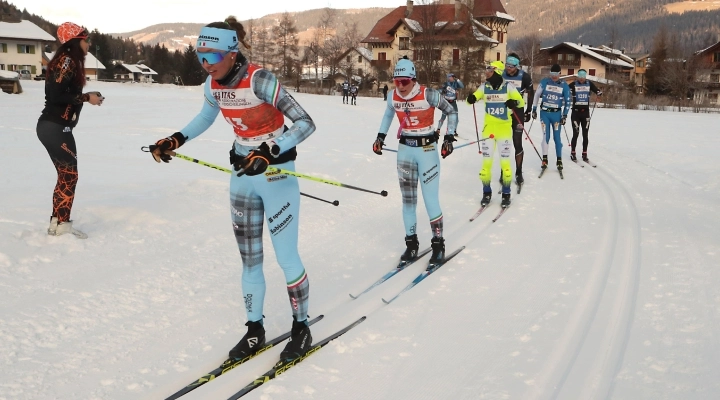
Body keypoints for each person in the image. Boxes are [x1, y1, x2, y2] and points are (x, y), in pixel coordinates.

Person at [147, 16, 316, 362]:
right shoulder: (212, 85)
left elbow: (305, 122)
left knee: (286, 257)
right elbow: (206, 117)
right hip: (242, 174)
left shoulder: (260, 79)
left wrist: (270, 151)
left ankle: (302, 328)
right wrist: (175, 139)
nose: (205, 64)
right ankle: (255, 330)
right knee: (249, 261)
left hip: (276, 174)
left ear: (231, 52)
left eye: (211, 56)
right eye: (199, 56)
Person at [372, 57, 458, 269]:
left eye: (404, 81)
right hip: (405, 151)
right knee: (408, 201)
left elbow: (451, 111)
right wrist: (380, 137)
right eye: (396, 81)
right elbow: (388, 115)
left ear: (413, 79)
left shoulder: (428, 93)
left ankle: (438, 245)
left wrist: (449, 137)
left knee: (430, 200)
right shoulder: (392, 95)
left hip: (427, 150)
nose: (399, 86)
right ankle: (411, 245)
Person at [37, 22, 104, 239]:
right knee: (69, 175)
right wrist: (86, 97)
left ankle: (57, 224)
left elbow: (62, 91)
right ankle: (62, 227)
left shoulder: (66, 60)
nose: (89, 44)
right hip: (55, 127)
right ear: (76, 41)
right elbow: (57, 96)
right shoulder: (67, 60)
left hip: (55, 126)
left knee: (66, 176)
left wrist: (86, 95)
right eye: (86, 40)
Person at [466, 61, 525, 208]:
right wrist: (471, 99)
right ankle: (486, 192)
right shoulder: (484, 87)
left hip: (504, 130)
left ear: (497, 72)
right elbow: (472, 99)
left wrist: (513, 103)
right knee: (485, 166)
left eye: (490, 70)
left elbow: (521, 102)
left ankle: (506, 193)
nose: (487, 72)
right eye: (487, 69)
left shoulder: (508, 87)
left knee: (505, 165)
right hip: (489, 131)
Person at [501, 53, 534, 185]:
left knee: (517, 142)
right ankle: (504, 170)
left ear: (517, 66)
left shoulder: (524, 77)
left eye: (511, 66)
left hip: (518, 112)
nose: (508, 68)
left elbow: (530, 94)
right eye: (507, 65)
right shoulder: (501, 75)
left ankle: (519, 171)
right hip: (503, 112)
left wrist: (529, 110)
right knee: (504, 143)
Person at [531, 64, 570, 172]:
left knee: (557, 138)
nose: (554, 76)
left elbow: (568, 102)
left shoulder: (564, 85)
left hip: (556, 115)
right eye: (552, 74)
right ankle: (545, 159)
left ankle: (559, 160)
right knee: (545, 136)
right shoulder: (545, 82)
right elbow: (536, 95)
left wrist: (565, 115)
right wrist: (534, 109)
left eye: (556, 74)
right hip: (545, 113)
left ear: (560, 74)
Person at [568, 69, 602, 162]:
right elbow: (564, 90)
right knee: (576, 133)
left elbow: (597, 91)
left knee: (585, 134)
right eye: (580, 76)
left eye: (583, 76)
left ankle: (584, 153)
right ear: (577, 76)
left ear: (585, 76)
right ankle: (573, 153)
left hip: (585, 113)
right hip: (575, 112)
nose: (582, 78)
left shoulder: (589, 84)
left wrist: (599, 94)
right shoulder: (573, 84)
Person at [436, 72, 464, 137]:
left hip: (453, 102)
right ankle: (438, 129)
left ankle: (454, 131)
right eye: (449, 77)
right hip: (446, 102)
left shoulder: (456, 83)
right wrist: (442, 91)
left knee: (456, 117)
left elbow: (462, 86)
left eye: (451, 77)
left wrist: (457, 80)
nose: (450, 78)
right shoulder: (446, 84)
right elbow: (439, 90)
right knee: (443, 116)